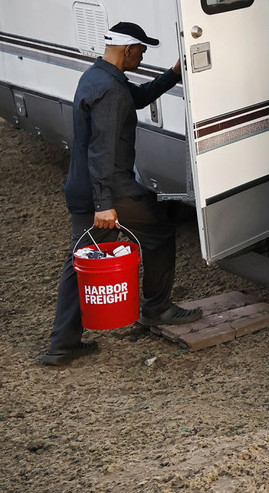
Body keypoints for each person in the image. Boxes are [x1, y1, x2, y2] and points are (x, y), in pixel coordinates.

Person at [40, 22, 200, 366]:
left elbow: (136, 98)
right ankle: (156, 308)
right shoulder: (110, 90)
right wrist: (104, 204)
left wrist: (172, 74)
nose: (141, 59)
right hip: (108, 188)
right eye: (141, 52)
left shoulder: (99, 76)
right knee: (158, 231)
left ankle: (62, 345)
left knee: (78, 263)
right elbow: (103, 150)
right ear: (128, 50)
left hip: (83, 186)